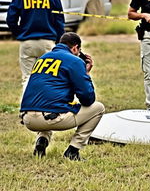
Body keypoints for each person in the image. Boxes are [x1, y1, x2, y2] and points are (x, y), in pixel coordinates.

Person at [19, 32, 105, 161]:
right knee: (98, 108)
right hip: (49, 118)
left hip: (28, 119)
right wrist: (85, 73)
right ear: (75, 48)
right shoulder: (75, 61)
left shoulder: (43, 58)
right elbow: (88, 99)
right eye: (78, 51)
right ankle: (73, 150)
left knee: (47, 102)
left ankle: (42, 140)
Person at [6, 0, 65, 91]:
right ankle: (47, 107)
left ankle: (26, 108)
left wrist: (19, 33)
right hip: (48, 42)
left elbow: (11, 19)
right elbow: (59, 22)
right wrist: (58, 40)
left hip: (27, 41)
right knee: (49, 77)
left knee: (27, 77)